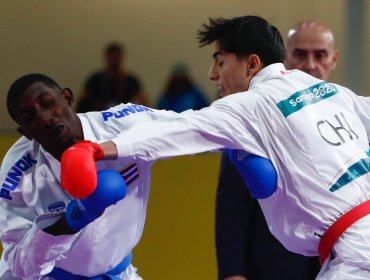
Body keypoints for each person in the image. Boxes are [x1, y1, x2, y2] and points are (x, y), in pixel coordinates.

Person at [62, 15, 370, 280]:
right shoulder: (332, 91)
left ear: (251, 63)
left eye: (220, 61)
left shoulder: (248, 105)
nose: (212, 74)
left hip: (355, 255)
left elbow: (178, 130)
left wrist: (97, 149)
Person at [0, 73, 179, 279]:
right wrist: (71, 220)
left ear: (67, 97)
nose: (45, 118)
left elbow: (192, 127)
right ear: (26, 132)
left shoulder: (124, 125)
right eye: (30, 117)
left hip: (118, 273)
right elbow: (19, 264)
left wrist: (225, 145)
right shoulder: (16, 174)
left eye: (48, 103)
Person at [215, 19, 339, 280]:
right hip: (273, 263)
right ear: (284, 58)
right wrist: (232, 272)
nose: (310, 64)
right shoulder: (251, 116)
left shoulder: (347, 114)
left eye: (320, 55)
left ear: (334, 60)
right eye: (300, 54)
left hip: (340, 259)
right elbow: (232, 207)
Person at [76, 42, 149, 113]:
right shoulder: (95, 80)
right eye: (112, 56)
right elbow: (82, 102)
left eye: (116, 57)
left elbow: (144, 102)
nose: (114, 60)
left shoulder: (131, 81)